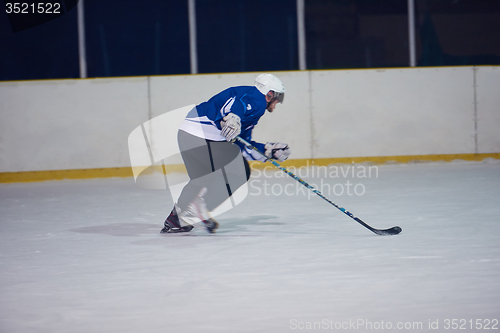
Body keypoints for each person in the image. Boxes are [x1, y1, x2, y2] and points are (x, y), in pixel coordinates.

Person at [160, 73, 291, 234]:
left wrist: (267, 150)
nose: (278, 102)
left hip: (191, 135)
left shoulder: (254, 105)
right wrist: (233, 117)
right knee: (234, 171)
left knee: (205, 177)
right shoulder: (255, 98)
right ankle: (194, 208)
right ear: (269, 94)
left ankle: (177, 220)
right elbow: (238, 104)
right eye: (278, 97)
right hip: (199, 135)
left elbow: (243, 143)